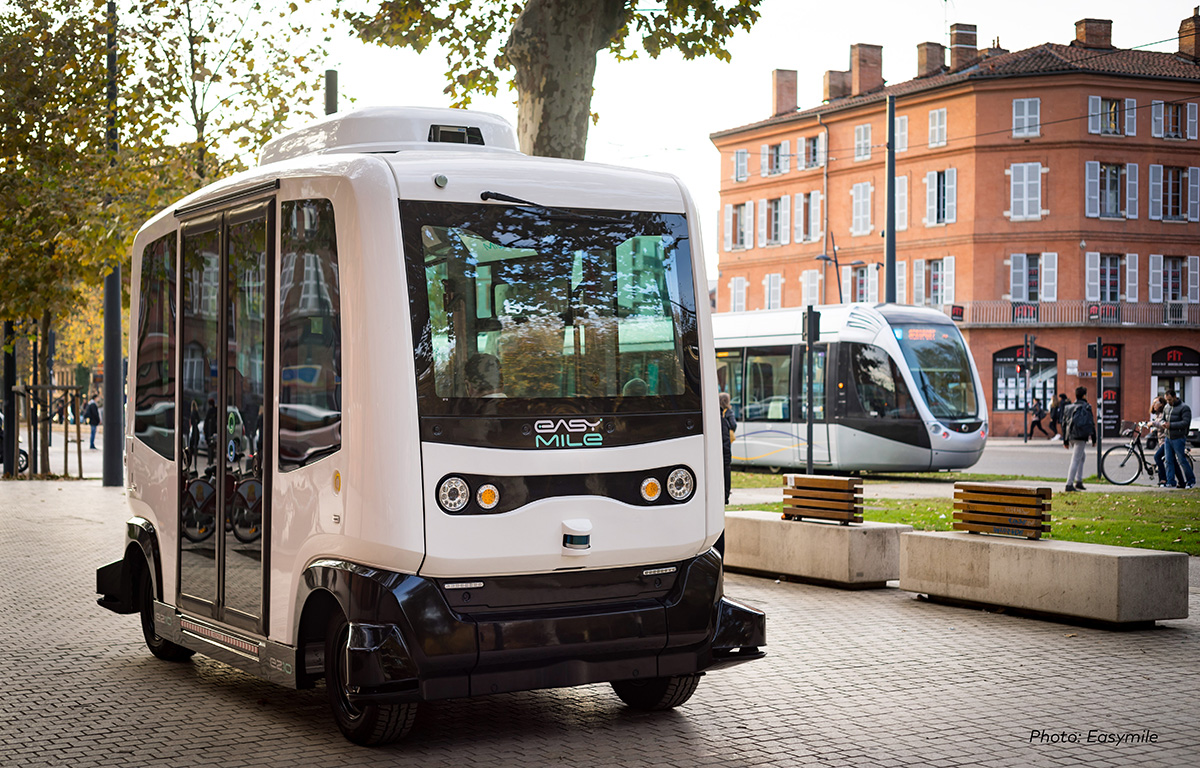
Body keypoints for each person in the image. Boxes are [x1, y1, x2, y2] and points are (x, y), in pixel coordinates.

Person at [1062, 386, 1095, 492]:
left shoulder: (1068, 407)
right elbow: (1091, 423)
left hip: (1071, 436)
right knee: (1076, 459)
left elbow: (1064, 424)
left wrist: (1065, 440)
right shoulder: (1086, 407)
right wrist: (1094, 438)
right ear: (1084, 395)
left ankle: (1079, 481)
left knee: (1082, 456)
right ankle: (1069, 484)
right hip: (1081, 436)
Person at [1162, 390, 1196, 489]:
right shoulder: (1166, 407)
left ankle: (1191, 481)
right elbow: (1163, 418)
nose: (1168, 402)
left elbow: (1185, 422)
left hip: (1178, 438)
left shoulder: (1184, 408)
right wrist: (1163, 423)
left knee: (1182, 460)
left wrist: (1171, 425)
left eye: (1169, 399)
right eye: (1166, 400)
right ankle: (1170, 481)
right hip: (1168, 437)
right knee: (1168, 460)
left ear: (1175, 397)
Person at [720, 392, 737, 506]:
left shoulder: (716, 416)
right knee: (726, 473)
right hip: (725, 451)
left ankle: (724, 497)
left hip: (721, 452)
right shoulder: (727, 415)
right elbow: (734, 425)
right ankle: (725, 497)